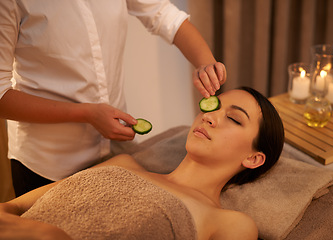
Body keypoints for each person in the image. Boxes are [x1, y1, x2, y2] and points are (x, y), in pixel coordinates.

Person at [0, 0, 227, 196]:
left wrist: (205, 63)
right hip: (48, 163)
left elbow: (164, 16)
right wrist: (86, 114)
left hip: (114, 150)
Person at [0, 87, 284, 240]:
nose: (209, 116)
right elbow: (13, 206)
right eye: (213, 105)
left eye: (233, 118)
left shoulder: (230, 223)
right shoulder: (124, 164)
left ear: (253, 158)